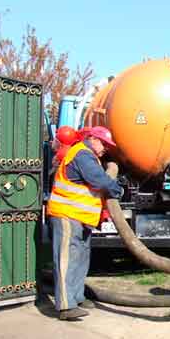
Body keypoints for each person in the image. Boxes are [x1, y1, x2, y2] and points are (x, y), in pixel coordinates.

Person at [46, 126, 125, 320]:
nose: (106, 148)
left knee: (81, 259)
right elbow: (101, 182)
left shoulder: (90, 156)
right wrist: (118, 190)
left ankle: (77, 298)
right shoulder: (82, 154)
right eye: (103, 143)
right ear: (91, 138)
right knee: (67, 259)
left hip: (81, 218)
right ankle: (65, 306)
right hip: (67, 215)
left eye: (107, 145)